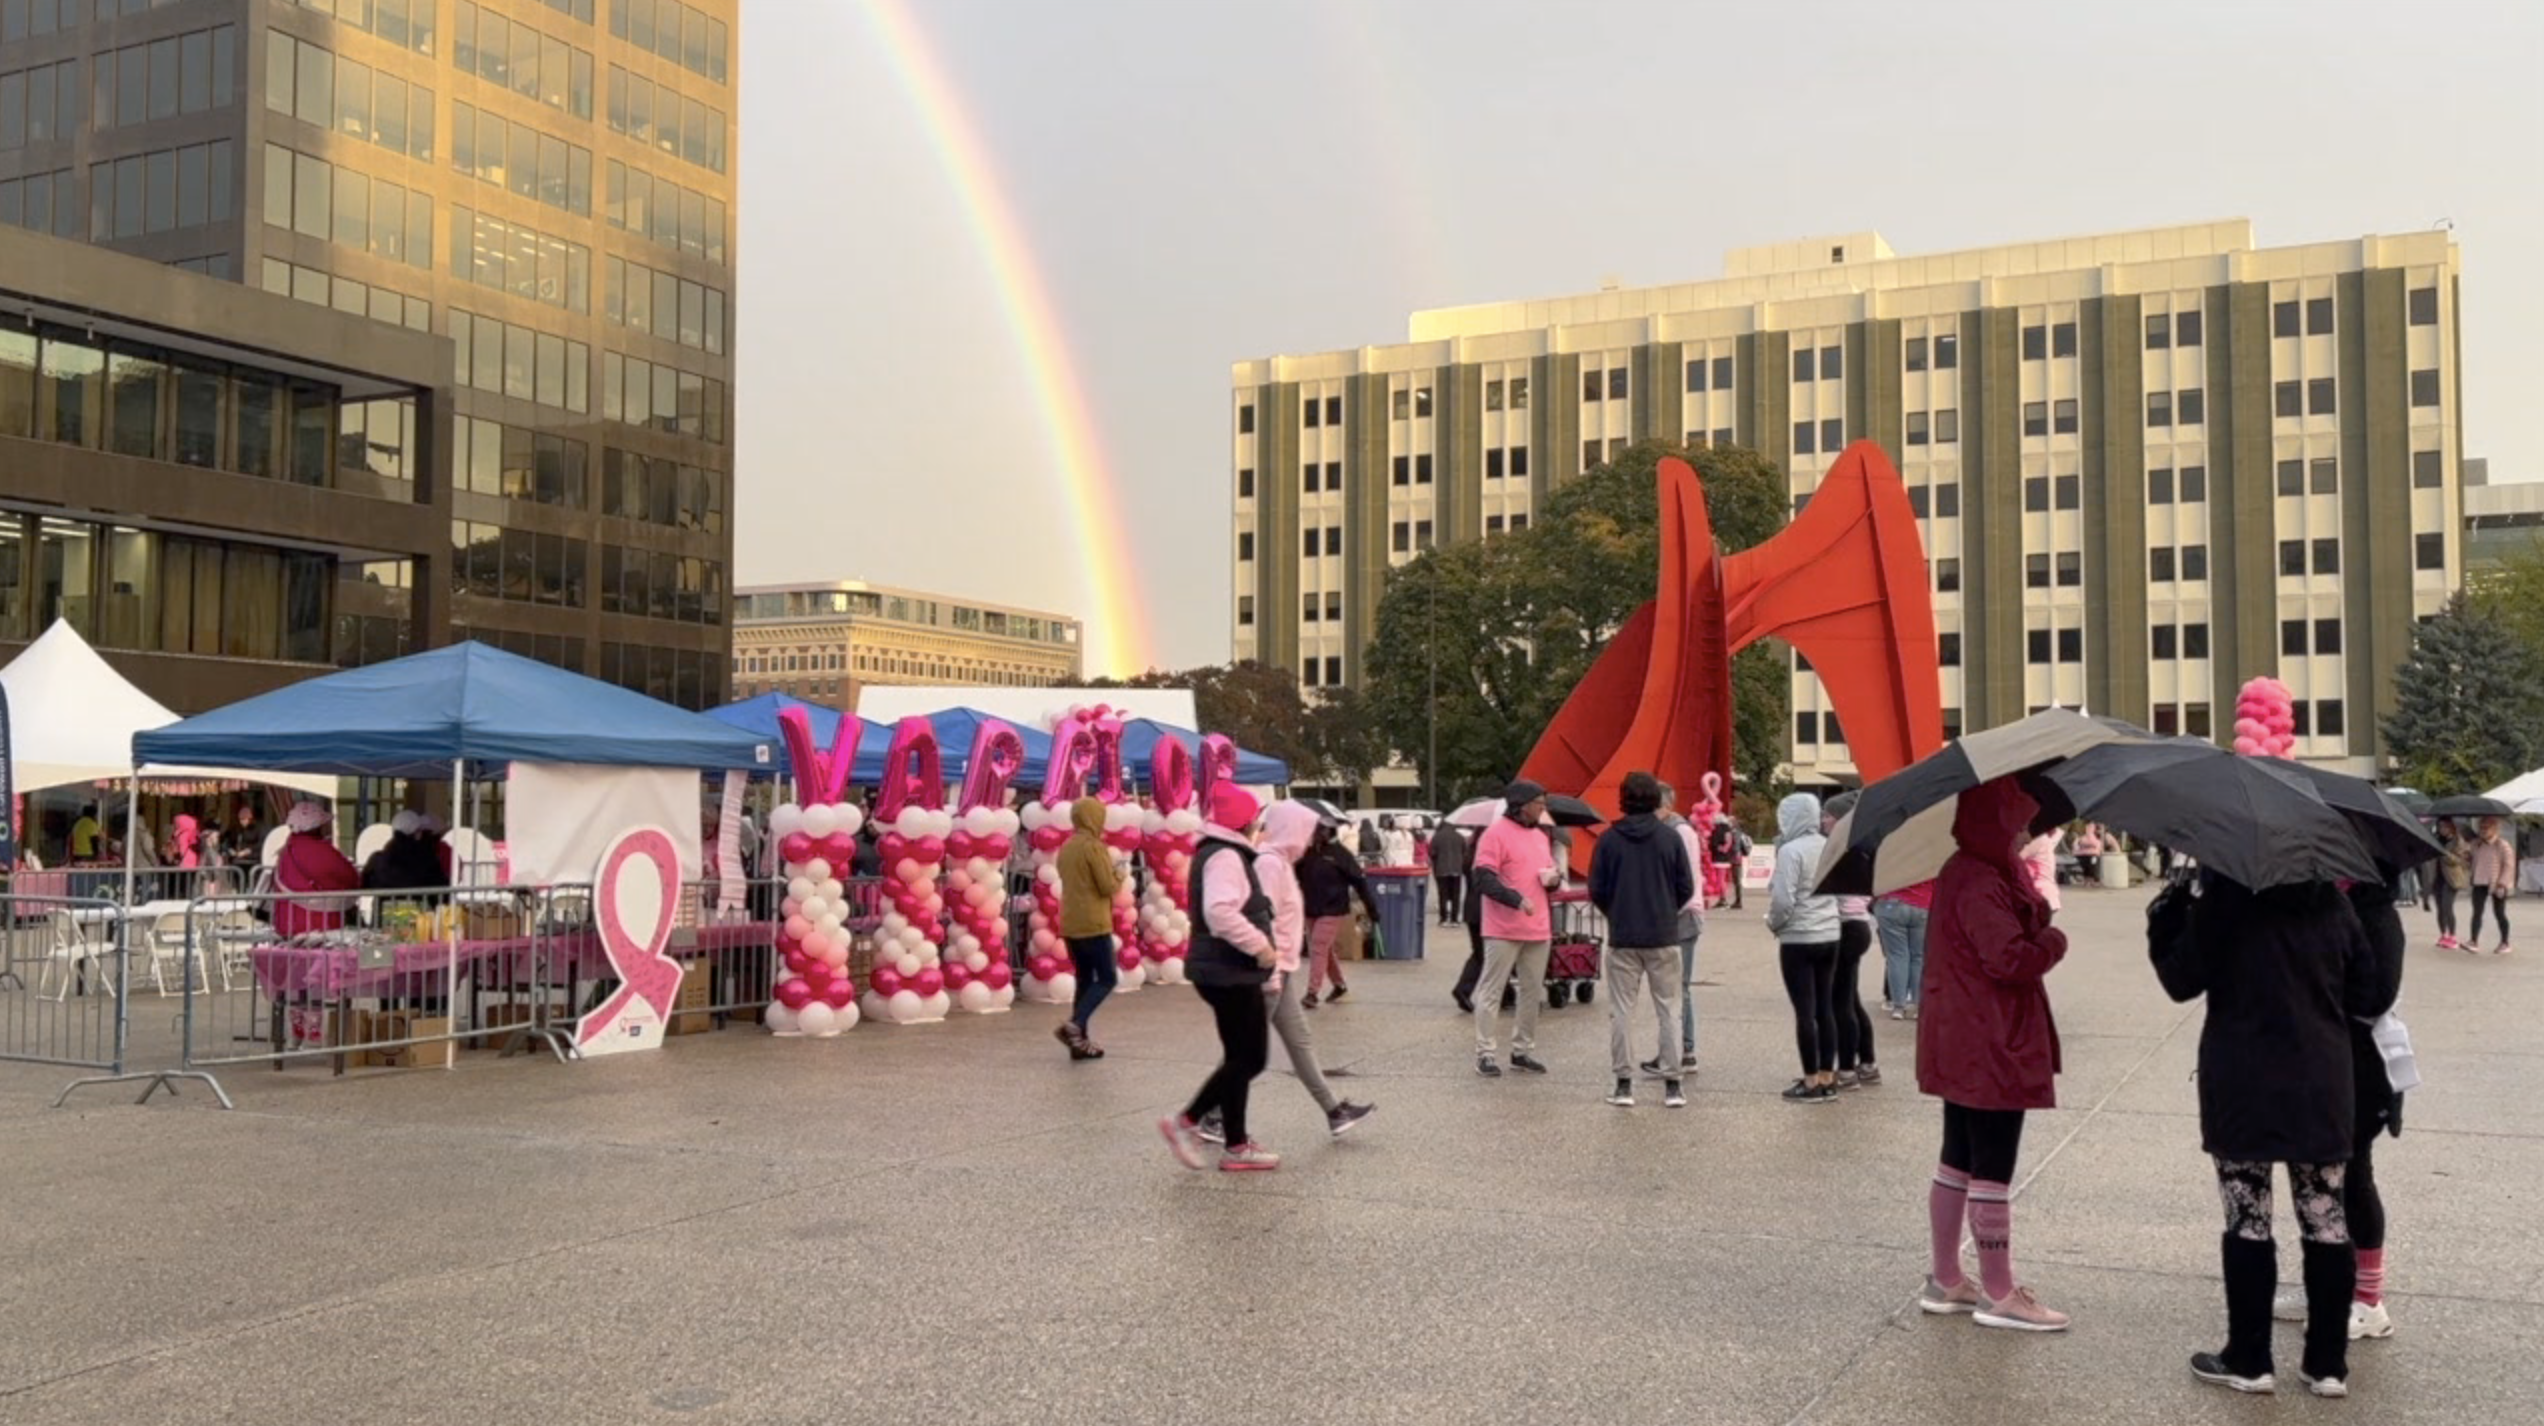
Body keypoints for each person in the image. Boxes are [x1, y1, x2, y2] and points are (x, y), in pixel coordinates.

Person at [2150, 871, 2386, 1396]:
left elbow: (2179, 980)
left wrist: (2165, 921)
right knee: (2326, 1218)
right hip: (2321, 1079)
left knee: (2247, 1218)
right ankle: (2327, 1364)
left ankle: (2249, 1357)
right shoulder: (2331, 904)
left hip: (2243, 1080)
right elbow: (2367, 989)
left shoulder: (2225, 901)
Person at [1915, 777, 2071, 1332]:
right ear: (2000, 820)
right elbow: (2007, 957)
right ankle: (2000, 1292)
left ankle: (1946, 1277)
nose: (2027, 831)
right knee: (1992, 1165)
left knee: (1958, 1155)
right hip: (1991, 1036)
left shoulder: (1972, 868)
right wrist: (2053, 943)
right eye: (2021, 820)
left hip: (1965, 1032)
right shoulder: (1982, 876)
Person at [1197, 800, 1374, 1143]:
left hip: (1279, 970)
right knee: (1246, 1052)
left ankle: (1333, 1111)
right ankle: (1212, 1115)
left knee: (1298, 1041)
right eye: (1307, 831)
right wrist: (1272, 972)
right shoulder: (1269, 865)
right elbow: (1265, 921)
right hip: (1269, 972)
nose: (1311, 839)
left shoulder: (1277, 862)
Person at [1159, 785, 1282, 1172]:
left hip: (1222, 969)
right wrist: (1260, 946)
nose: (1259, 826)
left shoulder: (1216, 851)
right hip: (1230, 971)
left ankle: (1236, 1144)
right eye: (1257, 819)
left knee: (1238, 1058)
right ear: (1244, 822)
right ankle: (1188, 1120)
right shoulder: (1227, 856)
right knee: (1251, 1058)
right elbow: (1220, 911)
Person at [1589, 772, 1694, 1109]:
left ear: (1623, 798)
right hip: (1663, 934)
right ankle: (1673, 1084)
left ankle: (1623, 1083)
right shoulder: (1670, 838)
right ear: (1655, 799)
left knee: (1621, 1011)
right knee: (1669, 1010)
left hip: (1623, 935)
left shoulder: (1608, 840)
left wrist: (1615, 912)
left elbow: (1597, 889)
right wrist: (1665, 909)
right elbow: (1685, 887)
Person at [1469, 780, 1558, 1078]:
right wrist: (1515, 898)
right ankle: (1485, 1053)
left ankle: (1522, 1050)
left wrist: (1553, 880)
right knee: (1492, 990)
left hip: (1538, 926)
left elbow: (1545, 871)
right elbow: (1483, 879)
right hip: (1503, 927)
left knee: (1532, 992)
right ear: (1522, 805)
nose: (1543, 809)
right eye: (1539, 804)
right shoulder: (1494, 835)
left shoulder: (1541, 836)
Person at [1766, 792, 1841, 1104]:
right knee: (1826, 1007)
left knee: (1804, 1012)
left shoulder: (1790, 851)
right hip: (1830, 932)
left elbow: (1784, 898)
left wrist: (1775, 923)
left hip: (1798, 936)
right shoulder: (1829, 846)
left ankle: (1810, 1081)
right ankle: (1827, 1075)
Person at [1050, 795, 1121, 1059]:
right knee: (1106, 978)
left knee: (1084, 979)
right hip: (1094, 922)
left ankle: (1080, 1042)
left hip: (1071, 922)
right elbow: (1107, 886)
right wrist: (1120, 874)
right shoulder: (1094, 846)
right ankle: (1075, 1025)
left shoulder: (1066, 846)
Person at [1647, 781, 1706, 1079]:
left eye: (1653, 806)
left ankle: (1684, 1050)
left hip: (1681, 917)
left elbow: (1682, 879)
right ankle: (1676, 1050)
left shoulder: (1678, 832)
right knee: (1672, 988)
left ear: (1667, 806)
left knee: (1677, 988)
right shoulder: (1674, 830)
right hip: (1679, 914)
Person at [1823, 792, 1881, 1089]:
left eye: (1828, 816)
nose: (1823, 821)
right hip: (1859, 926)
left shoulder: (1844, 850)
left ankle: (1845, 1069)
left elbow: (1829, 895)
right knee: (1850, 998)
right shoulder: (1863, 848)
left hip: (1846, 927)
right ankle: (1867, 1062)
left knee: (1840, 1001)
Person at [1296, 816, 1377, 1007]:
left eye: (1320, 830)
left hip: (1333, 909)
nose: (1316, 834)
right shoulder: (1308, 854)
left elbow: (1360, 882)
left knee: (1318, 947)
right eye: (1315, 830)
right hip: (1311, 907)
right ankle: (1339, 985)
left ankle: (1312, 992)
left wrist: (1372, 909)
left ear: (1330, 832)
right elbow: (1297, 875)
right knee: (1324, 949)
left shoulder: (1341, 855)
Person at [270, 802, 359, 939]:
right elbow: (350, 877)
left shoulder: (286, 851)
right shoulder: (322, 851)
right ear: (317, 827)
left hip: (286, 924)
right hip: (319, 926)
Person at [1875, 879, 1935, 1020]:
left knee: (1896, 956)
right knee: (1919, 957)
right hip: (1924, 905)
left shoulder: (1894, 857)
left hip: (1893, 903)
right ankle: (1918, 1006)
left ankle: (1898, 1007)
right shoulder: (1930, 859)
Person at [360, 811, 446, 897]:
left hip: (384, 909)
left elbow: (364, 886)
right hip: (420, 908)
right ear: (417, 833)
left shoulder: (377, 860)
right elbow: (441, 887)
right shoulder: (427, 859)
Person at [2467, 815, 2515, 954]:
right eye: (2481, 827)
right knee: (2477, 912)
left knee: (2499, 913)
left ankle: (2505, 942)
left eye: (2486, 828)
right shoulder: (2476, 844)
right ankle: (2473, 940)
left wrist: (2503, 883)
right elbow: (2472, 860)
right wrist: (2467, 858)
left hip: (2497, 883)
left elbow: (2509, 865)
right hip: (2479, 880)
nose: (2483, 830)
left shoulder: (2502, 844)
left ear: (2495, 829)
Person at [2432, 818, 2467, 949]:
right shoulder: (2435, 840)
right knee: (2440, 908)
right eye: (2440, 827)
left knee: (2447, 907)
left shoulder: (2458, 841)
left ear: (2452, 828)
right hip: (2437, 877)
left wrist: (2444, 853)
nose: (2442, 830)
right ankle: (2443, 934)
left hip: (2451, 878)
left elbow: (2458, 861)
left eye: (2445, 827)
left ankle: (2452, 935)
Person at [1429, 819, 1469, 925]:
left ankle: (1443, 919)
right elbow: (1465, 852)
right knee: (1456, 895)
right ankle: (1454, 919)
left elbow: (1432, 853)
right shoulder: (1459, 837)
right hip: (1456, 869)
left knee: (1443, 894)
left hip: (1441, 870)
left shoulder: (1437, 837)